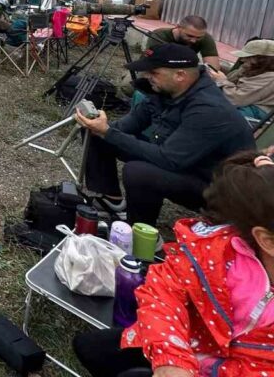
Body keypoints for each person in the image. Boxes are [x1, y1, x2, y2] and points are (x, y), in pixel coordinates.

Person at [73, 150, 274, 377]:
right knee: (89, 348)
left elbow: (170, 156)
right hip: (186, 341)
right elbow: (166, 287)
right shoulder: (221, 250)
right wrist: (172, 356)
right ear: (266, 240)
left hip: (216, 366)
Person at [75, 42, 255, 226]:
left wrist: (109, 132)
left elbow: (169, 159)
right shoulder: (165, 91)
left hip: (216, 187)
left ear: (180, 75)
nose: (146, 76)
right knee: (96, 133)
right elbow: (122, 128)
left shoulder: (208, 109)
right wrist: (100, 126)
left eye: (154, 73)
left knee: (138, 172)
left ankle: (141, 236)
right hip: (184, 161)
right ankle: (112, 203)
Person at [210, 39, 274, 122]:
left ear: (263, 59)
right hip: (244, 101)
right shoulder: (254, 68)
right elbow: (231, 78)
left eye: (248, 57)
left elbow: (236, 99)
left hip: (257, 109)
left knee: (213, 114)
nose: (242, 60)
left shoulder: (269, 78)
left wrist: (222, 80)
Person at [147, 15, 222, 71]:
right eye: (189, 36)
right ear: (178, 27)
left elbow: (213, 68)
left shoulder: (204, 37)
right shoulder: (159, 35)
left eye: (198, 37)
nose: (193, 40)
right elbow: (158, 63)